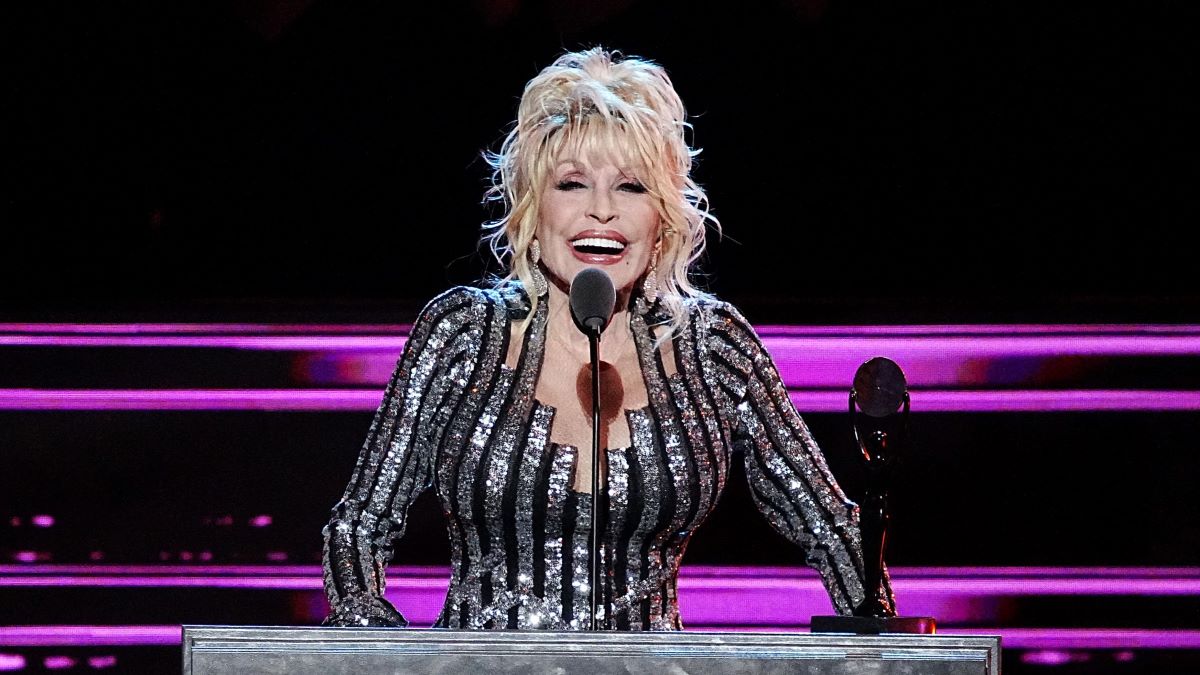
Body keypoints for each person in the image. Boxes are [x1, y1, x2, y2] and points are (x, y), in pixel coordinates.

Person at [322, 47, 894, 630]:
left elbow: (831, 527)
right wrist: (380, 646)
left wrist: (889, 651)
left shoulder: (714, 347)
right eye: (572, 184)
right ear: (531, 209)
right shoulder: (462, 335)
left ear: (664, 217)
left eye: (631, 188)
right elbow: (357, 527)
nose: (601, 212)